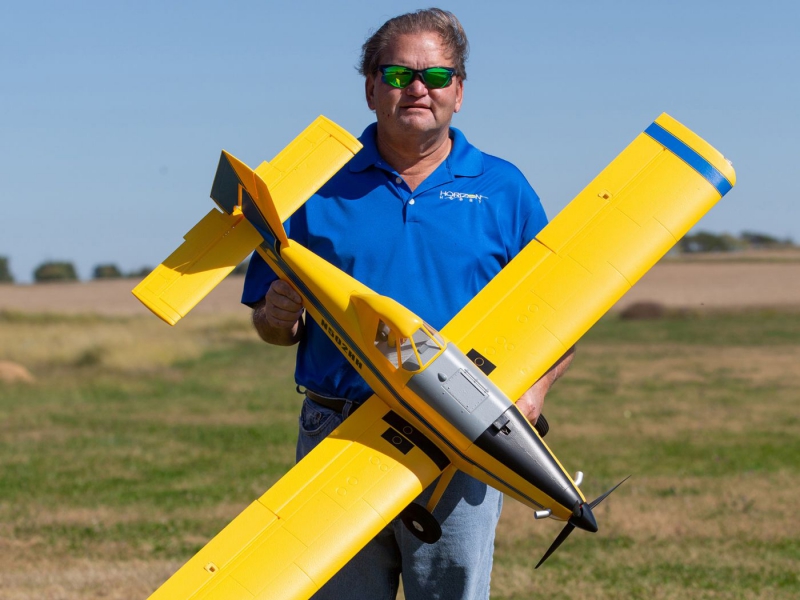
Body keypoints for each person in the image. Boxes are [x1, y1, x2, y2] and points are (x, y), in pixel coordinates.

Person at [242, 8, 574, 600]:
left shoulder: (504, 189)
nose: (418, 88)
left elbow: (563, 313)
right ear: (371, 88)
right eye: (398, 75)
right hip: (341, 431)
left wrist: (533, 392)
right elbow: (270, 326)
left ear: (459, 92)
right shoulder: (312, 185)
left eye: (436, 76)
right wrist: (276, 315)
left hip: (461, 435)